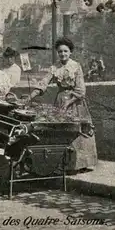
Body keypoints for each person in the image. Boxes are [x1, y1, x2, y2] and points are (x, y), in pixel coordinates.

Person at [28, 38, 98, 172]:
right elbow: (43, 83)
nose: (63, 54)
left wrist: (68, 102)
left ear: (70, 52)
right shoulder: (55, 68)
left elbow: (81, 90)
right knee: (61, 131)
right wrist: (30, 96)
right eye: (60, 52)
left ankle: (79, 165)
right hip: (60, 101)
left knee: (78, 131)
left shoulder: (76, 66)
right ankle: (63, 164)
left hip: (75, 102)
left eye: (65, 51)